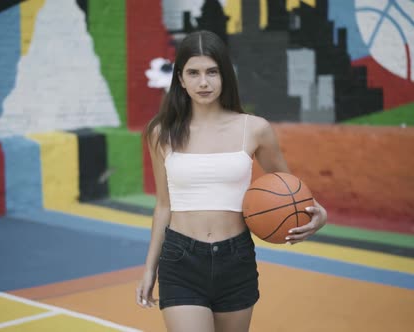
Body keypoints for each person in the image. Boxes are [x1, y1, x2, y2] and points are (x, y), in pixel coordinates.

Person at [136, 30, 328, 332]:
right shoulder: (162, 132)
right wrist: (149, 269)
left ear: (225, 75)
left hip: (235, 258)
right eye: (193, 73)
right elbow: (163, 206)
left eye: (212, 72)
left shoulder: (255, 129)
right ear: (181, 79)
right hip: (180, 259)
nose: (203, 82)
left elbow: (292, 191)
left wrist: (321, 215)